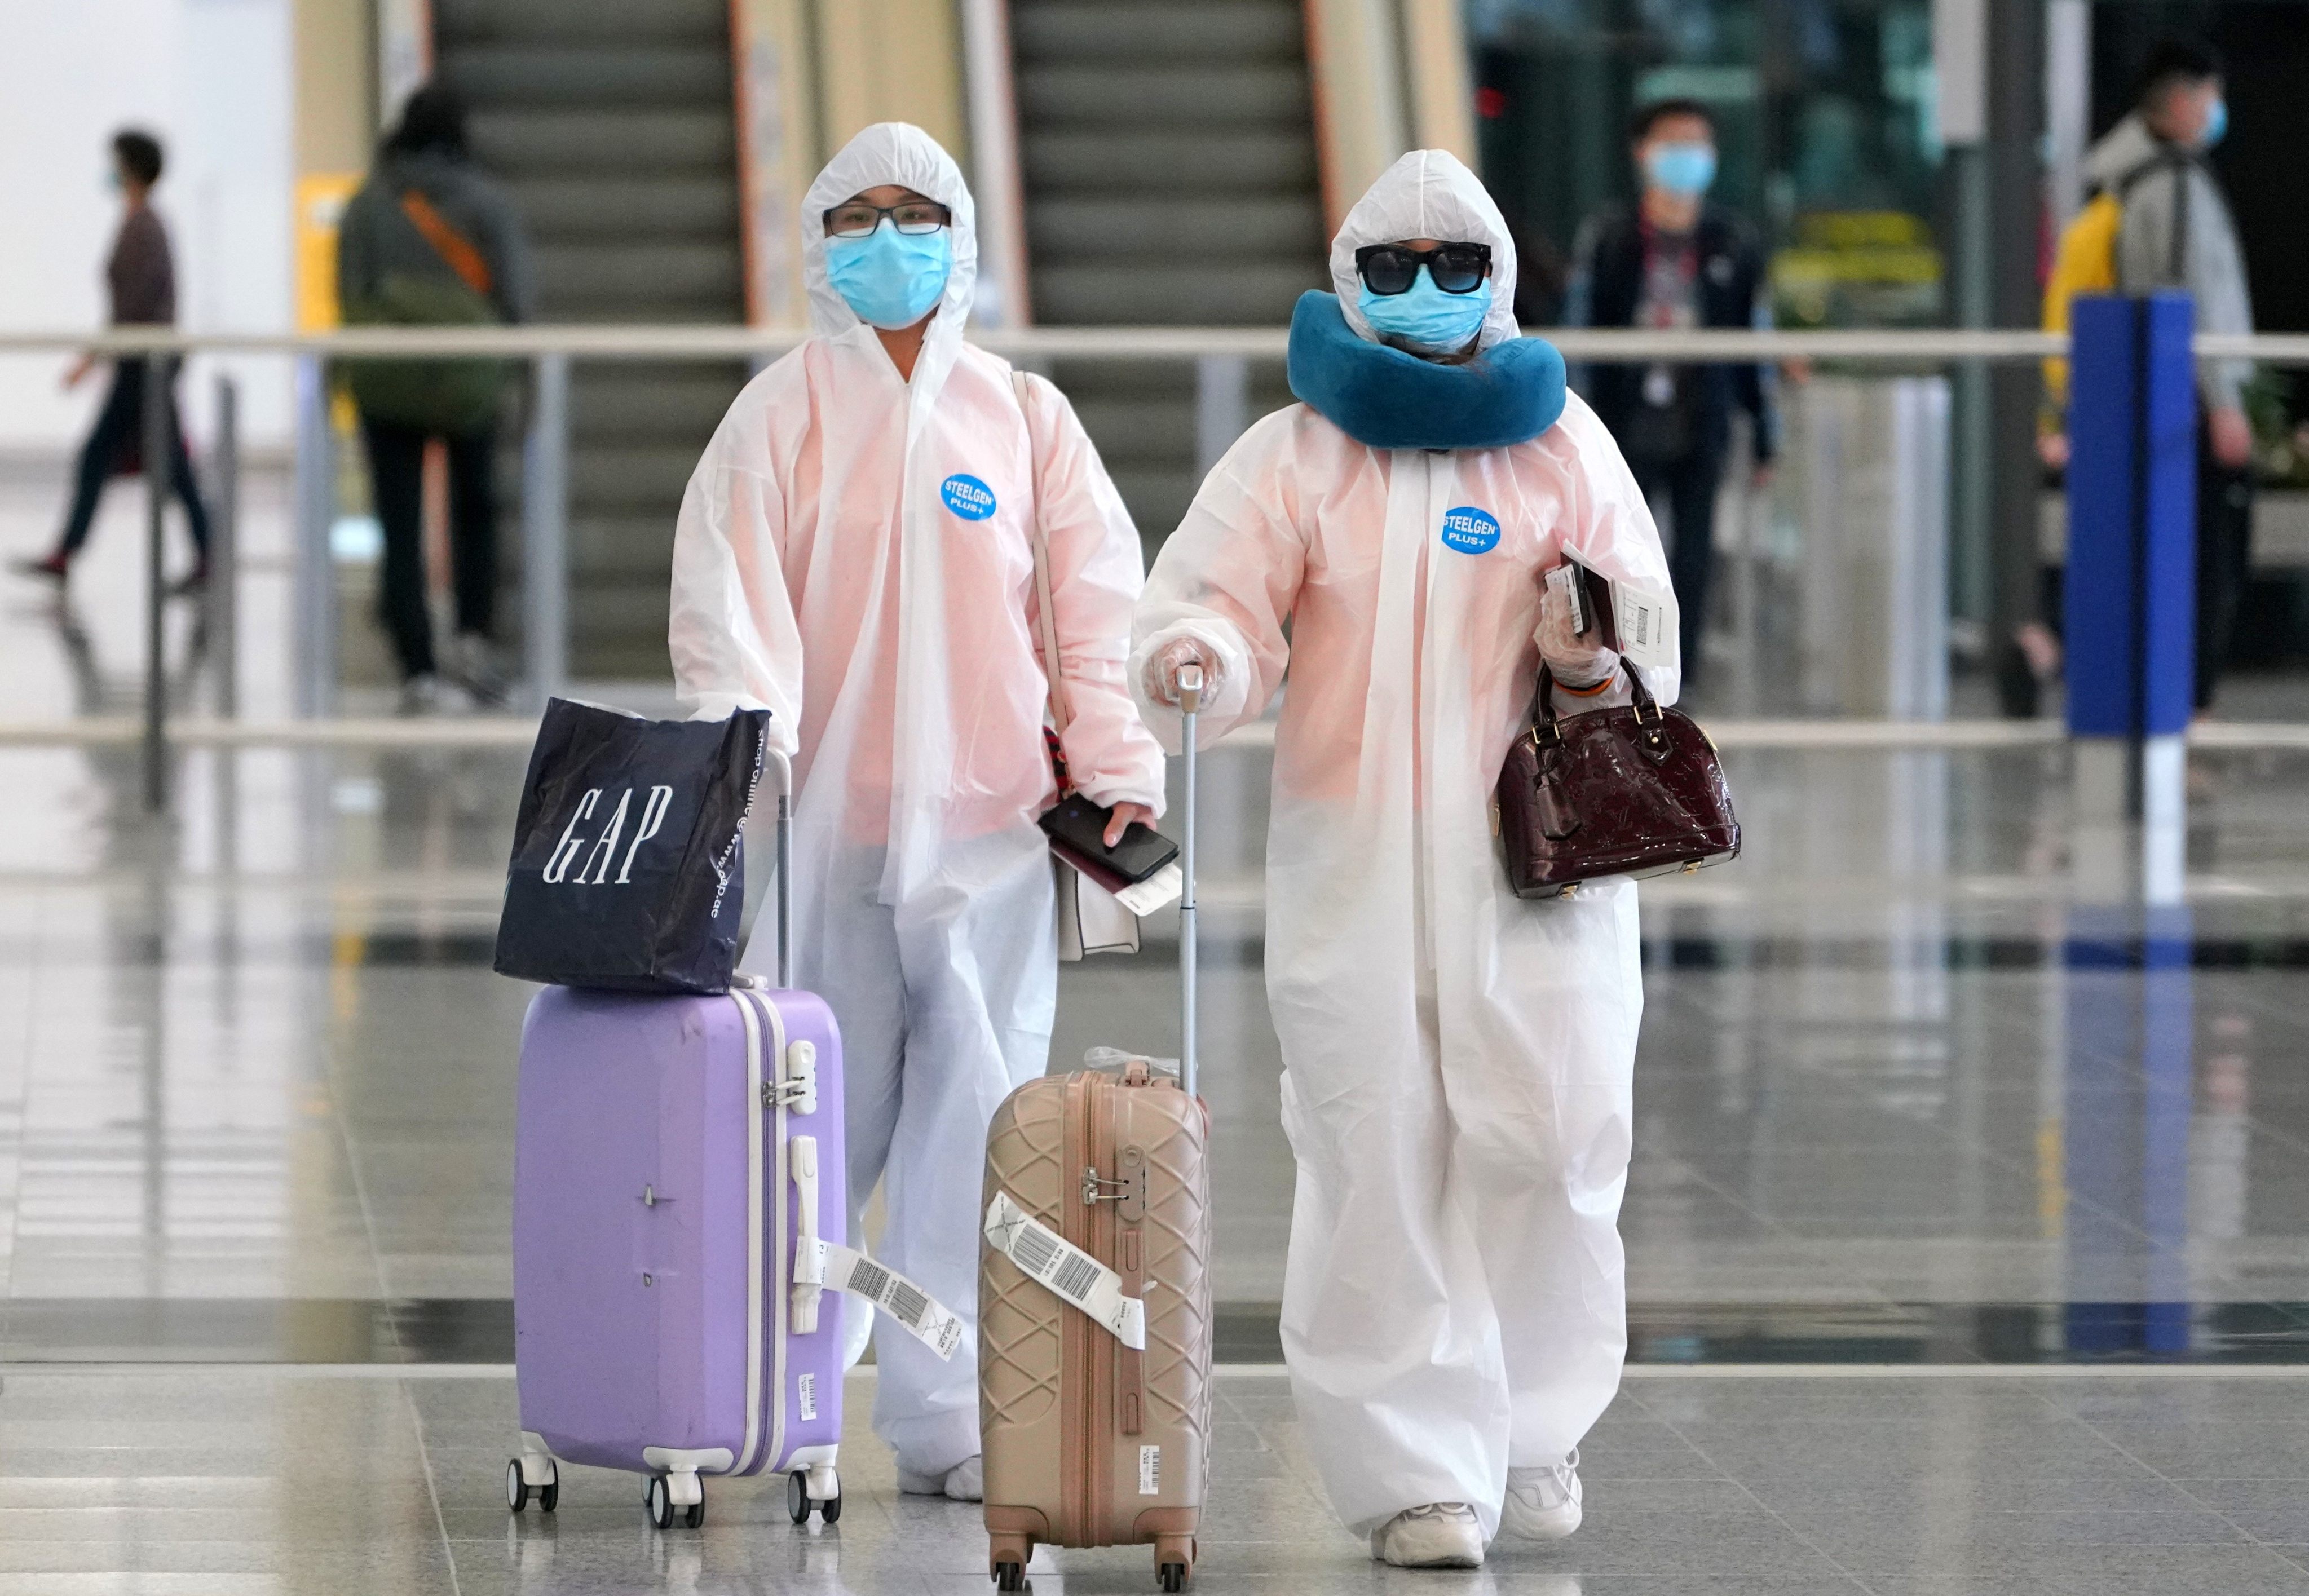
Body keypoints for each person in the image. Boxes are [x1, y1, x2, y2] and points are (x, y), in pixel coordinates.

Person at [1133, 150, 1673, 1570]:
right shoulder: (1295, 455)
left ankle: (1535, 1426)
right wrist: (1197, 659)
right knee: (1375, 1146)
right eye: (1389, 268)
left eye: (1453, 265)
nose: (1423, 292)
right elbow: (1215, 605)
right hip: (1356, 865)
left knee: (1554, 1140)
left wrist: (1592, 652)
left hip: (1538, 871)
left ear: (1498, 276)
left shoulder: (1563, 446)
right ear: (1344, 278)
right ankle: (1416, 1471)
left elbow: (1649, 629)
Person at [667, 123, 1164, 1503]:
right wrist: (742, 742)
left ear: (963, 234)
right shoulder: (778, 416)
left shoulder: (1021, 414)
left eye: (919, 213)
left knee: (982, 1122)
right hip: (829, 829)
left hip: (997, 830)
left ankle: (951, 1413)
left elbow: (1091, 606)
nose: (891, 242)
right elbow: (727, 598)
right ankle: (780, 1386)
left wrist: (1116, 762)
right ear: (820, 243)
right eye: (860, 216)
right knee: (813, 1119)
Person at [2045, 39, 2255, 713]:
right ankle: (2183, 718)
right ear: (2183, 101)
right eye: (2211, 97)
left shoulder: (2130, 182)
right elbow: (2185, 299)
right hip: (2185, 408)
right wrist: (2223, 399)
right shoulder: (2173, 186)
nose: (2217, 111)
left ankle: (2169, 717)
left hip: (2151, 404)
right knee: (2200, 565)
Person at [1565, 99, 1774, 688]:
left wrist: (1764, 433)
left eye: (1697, 144)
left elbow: (1753, 339)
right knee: (1618, 550)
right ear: (1643, 151)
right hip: (1621, 420)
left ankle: (1676, 679)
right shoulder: (1610, 237)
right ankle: (1613, 667)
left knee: (1694, 556)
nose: (1686, 156)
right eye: (1672, 142)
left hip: (1698, 417)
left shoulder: (1731, 241)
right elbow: (1580, 333)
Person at [337, 83, 532, 714]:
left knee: (399, 524)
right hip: (468, 380)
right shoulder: (485, 201)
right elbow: (515, 297)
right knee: (474, 510)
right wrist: (520, 375)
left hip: (388, 380)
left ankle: (417, 665)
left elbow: (350, 293)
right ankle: (473, 640)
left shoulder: (368, 203)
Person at [15, 130, 213, 591]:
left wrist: (91, 359)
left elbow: (134, 311)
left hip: (143, 365)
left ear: (130, 168)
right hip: (138, 363)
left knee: (124, 459)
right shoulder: (140, 223)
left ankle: (69, 552)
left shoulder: (144, 227)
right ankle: (70, 552)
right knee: (154, 464)